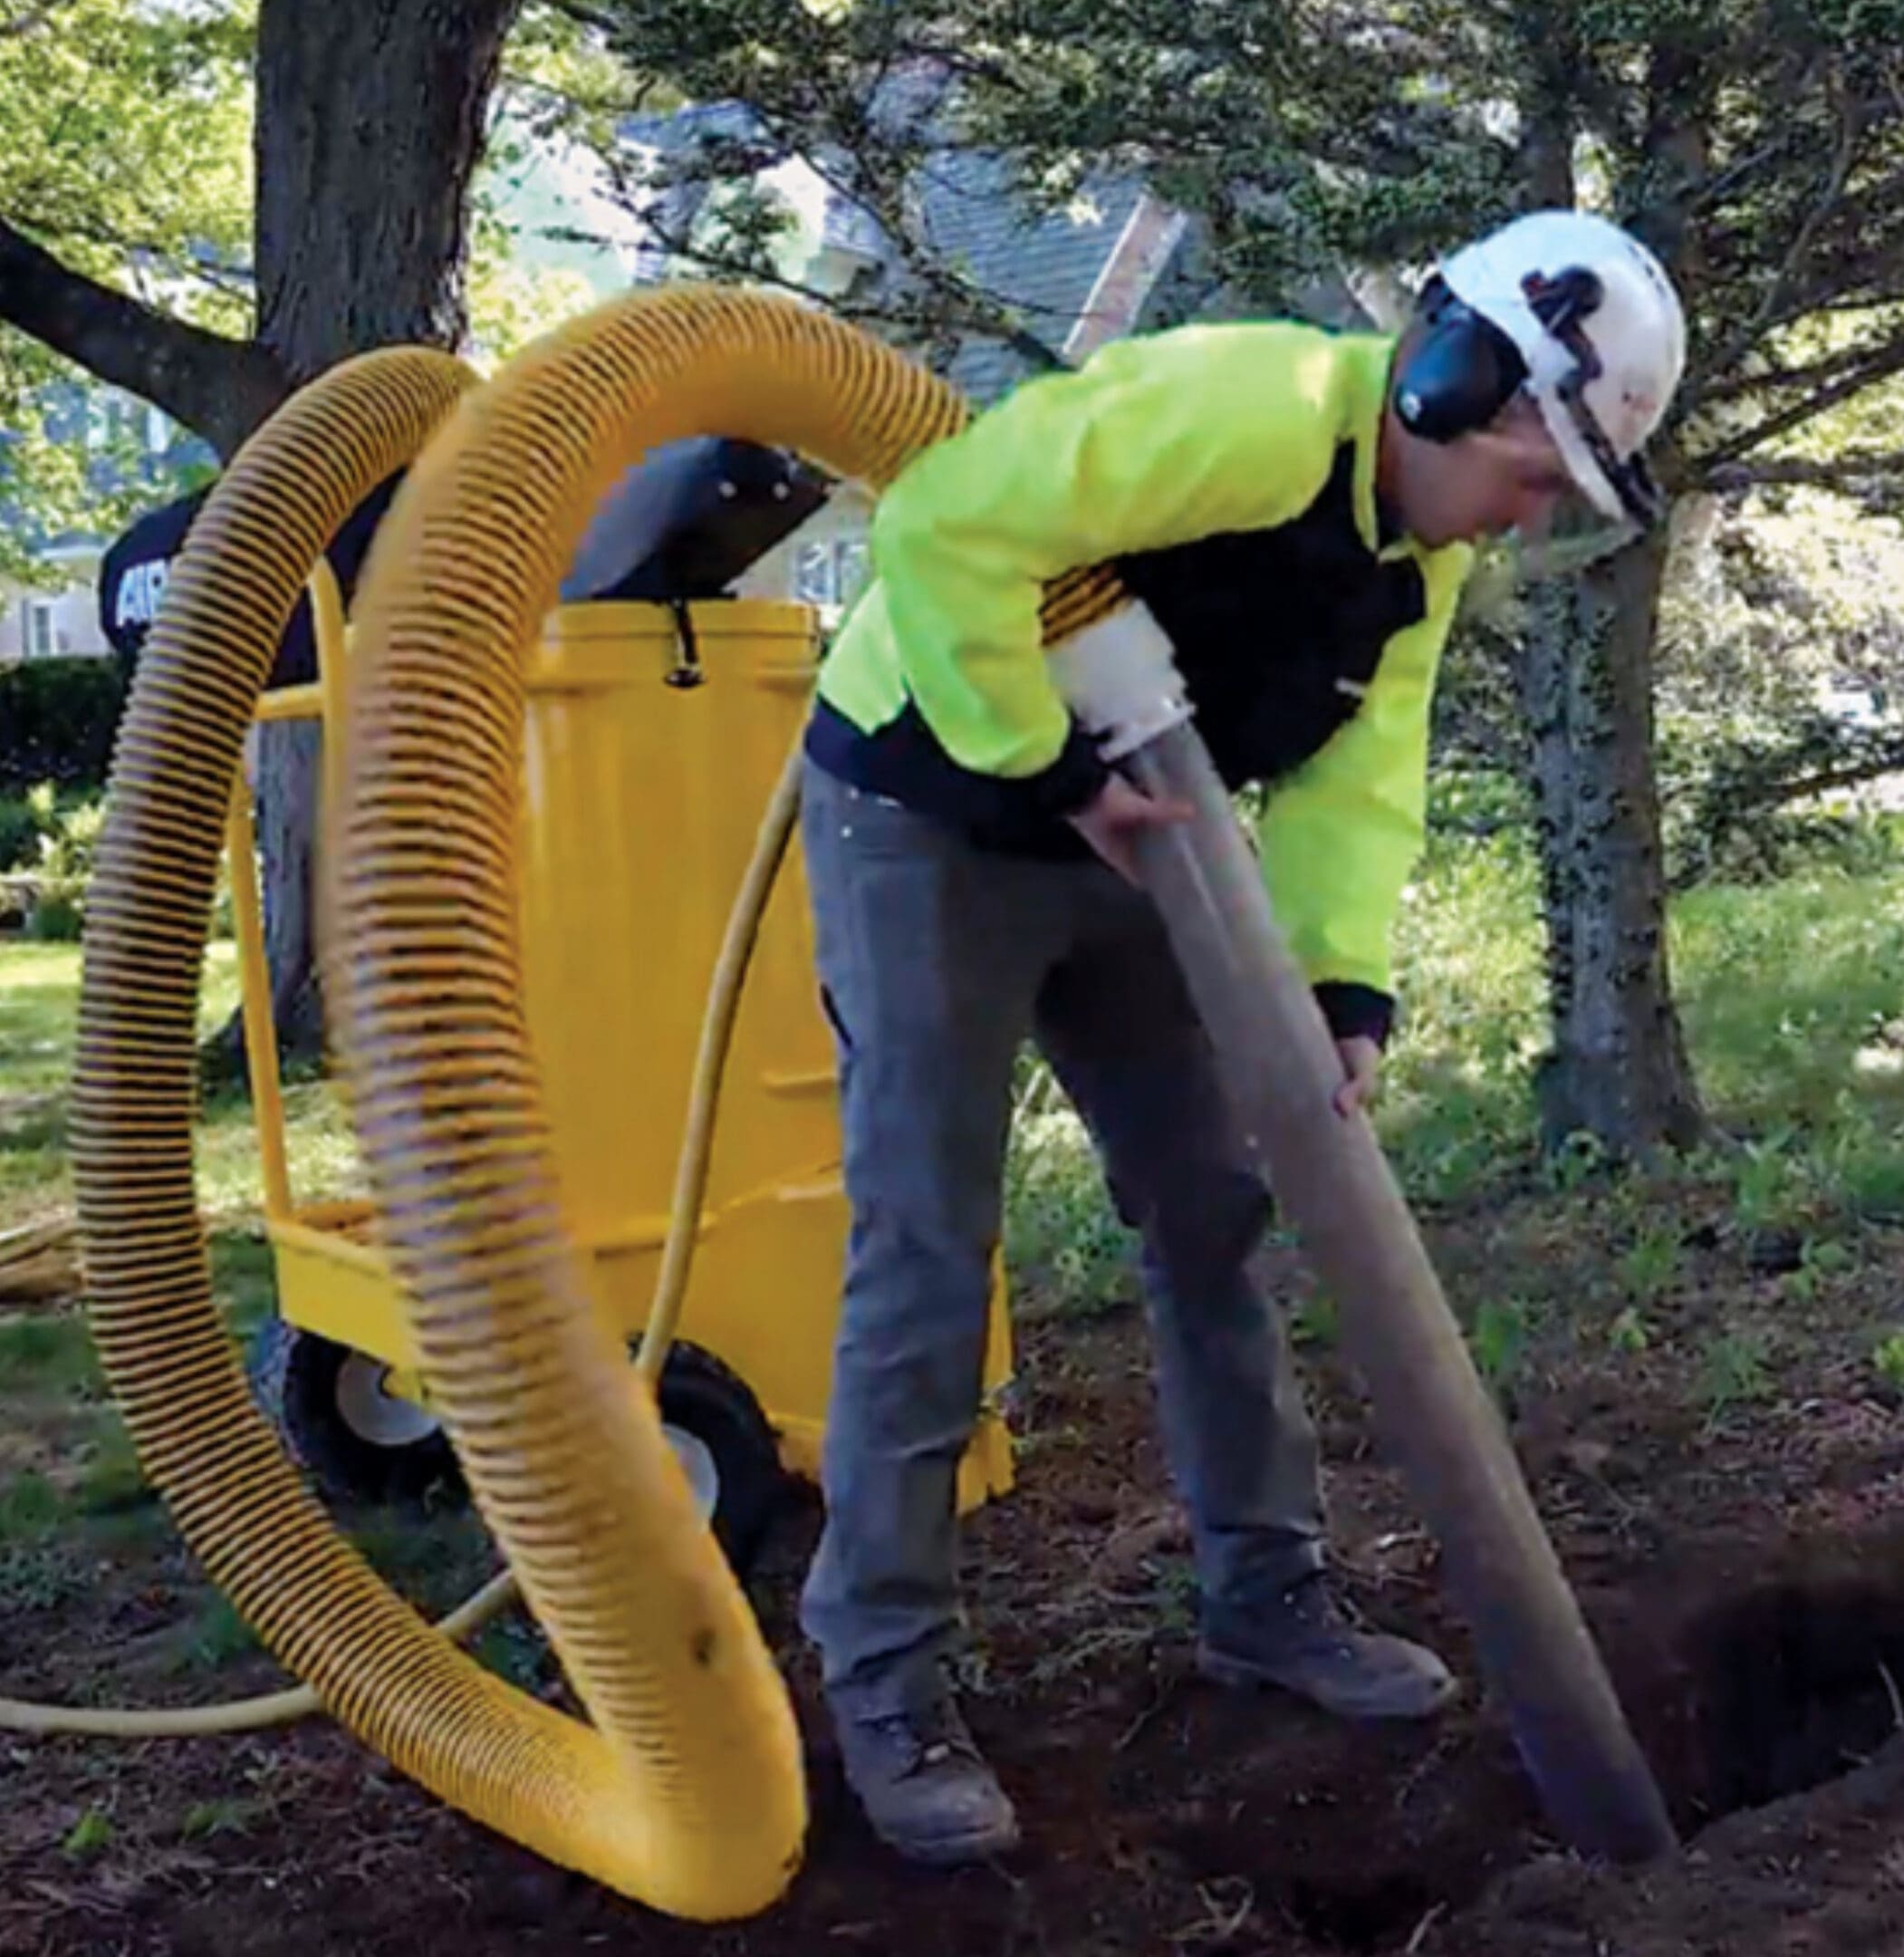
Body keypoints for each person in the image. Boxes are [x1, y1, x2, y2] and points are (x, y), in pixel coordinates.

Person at [795, 207, 1687, 1866]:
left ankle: (1267, 1599)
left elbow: (1358, 783)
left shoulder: (1414, 573)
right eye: (1533, 469)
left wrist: (1338, 987)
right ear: (1443, 385)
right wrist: (1041, 770)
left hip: (1140, 820)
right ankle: (888, 1684)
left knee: (1213, 1213)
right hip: (934, 807)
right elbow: (942, 528)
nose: (1529, 509)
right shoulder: (1242, 410)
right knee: (929, 1250)